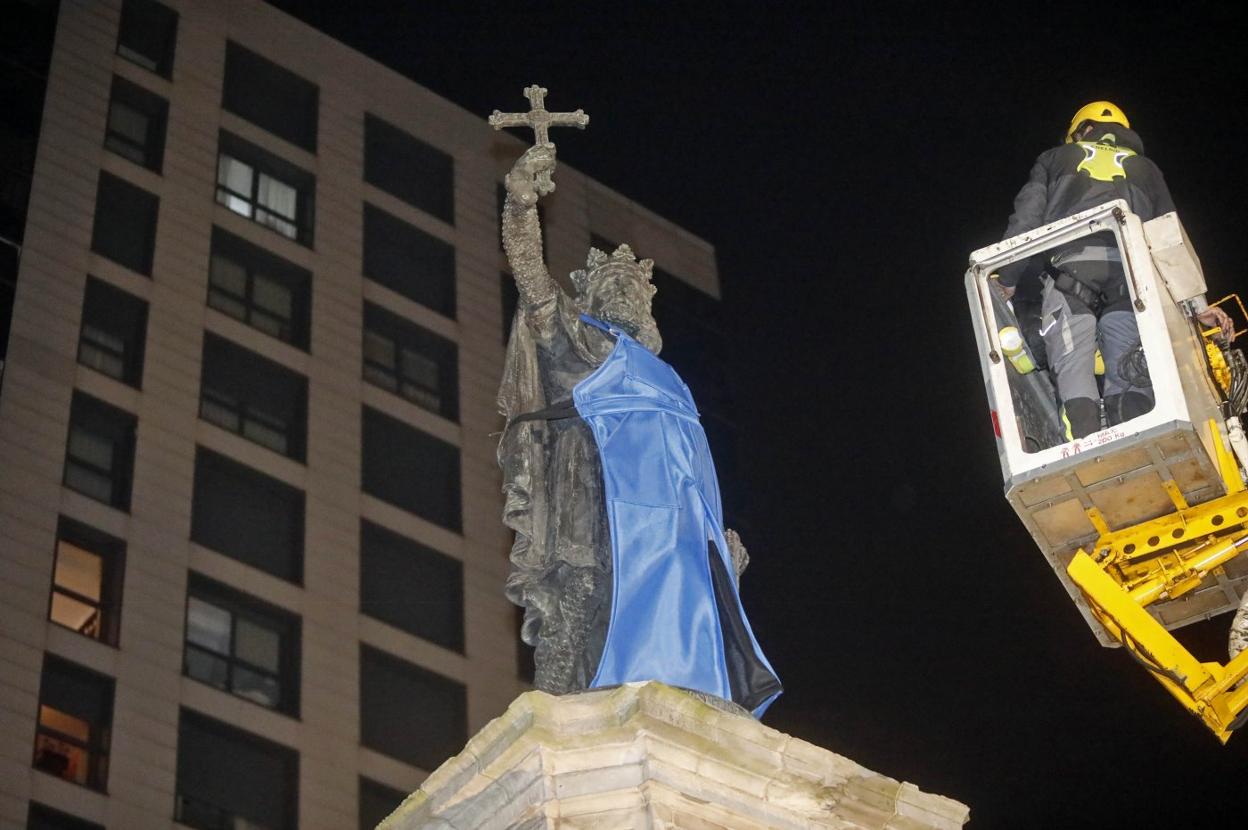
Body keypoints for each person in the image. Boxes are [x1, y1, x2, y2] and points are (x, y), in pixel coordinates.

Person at [497, 143, 781, 715]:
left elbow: (692, 470)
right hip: (592, 494)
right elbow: (532, 281)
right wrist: (521, 204)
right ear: (594, 300)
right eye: (614, 287)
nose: (627, 294)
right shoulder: (581, 340)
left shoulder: (672, 379)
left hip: (672, 528)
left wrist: (718, 556)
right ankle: (560, 716)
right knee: (578, 602)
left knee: (679, 613)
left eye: (635, 288)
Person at [997, 101, 1231, 438]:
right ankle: (1140, 441)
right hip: (1132, 281)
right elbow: (1168, 237)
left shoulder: (1054, 158)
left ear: (1081, 130)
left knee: (1073, 365)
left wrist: (1008, 277)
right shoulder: (1146, 168)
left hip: (1071, 275)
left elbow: (1027, 218)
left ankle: (1088, 447)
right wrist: (1197, 304)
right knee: (1128, 369)